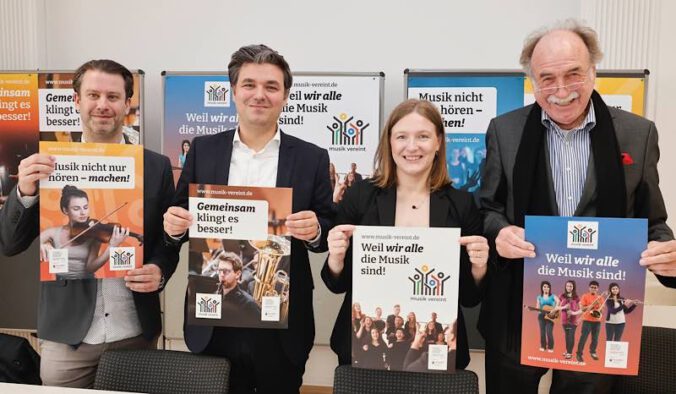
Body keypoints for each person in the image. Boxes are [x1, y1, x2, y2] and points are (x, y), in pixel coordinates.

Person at [479, 19, 676, 393]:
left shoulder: (638, 133)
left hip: (597, 313)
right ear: (533, 81)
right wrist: (499, 233)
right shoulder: (504, 131)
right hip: (516, 309)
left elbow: (653, 224)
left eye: (574, 74)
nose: (562, 90)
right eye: (547, 78)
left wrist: (668, 257)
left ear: (593, 72)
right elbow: (486, 209)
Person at [162, 44, 334, 394]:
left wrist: (316, 231)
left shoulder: (312, 158)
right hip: (214, 317)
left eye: (271, 86)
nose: (260, 94)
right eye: (249, 85)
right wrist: (173, 226)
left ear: (285, 95)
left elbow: (329, 227)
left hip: (280, 323)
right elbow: (180, 217)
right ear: (233, 92)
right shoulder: (203, 150)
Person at [0, 59, 179, 388]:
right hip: (67, 336)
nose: (102, 105)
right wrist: (24, 191)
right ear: (76, 100)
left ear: (127, 103)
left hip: (135, 330)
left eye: (113, 97)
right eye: (93, 94)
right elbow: (10, 244)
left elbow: (167, 243)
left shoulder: (156, 166)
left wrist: (160, 269)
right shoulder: (46, 163)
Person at [321, 99, 489, 370]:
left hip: (435, 353)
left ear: (438, 142)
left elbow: (470, 298)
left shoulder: (461, 204)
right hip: (362, 352)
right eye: (402, 137)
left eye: (423, 136)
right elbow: (336, 285)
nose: (412, 147)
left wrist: (480, 268)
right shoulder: (361, 195)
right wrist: (336, 259)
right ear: (390, 142)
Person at [39, 185, 130, 279]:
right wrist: (44, 245)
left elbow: (91, 268)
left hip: (87, 283)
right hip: (60, 283)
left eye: (85, 207)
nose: (83, 213)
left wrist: (112, 247)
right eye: (76, 209)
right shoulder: (52, 233)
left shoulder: (95, 232)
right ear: (65, 210)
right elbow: (32, 249)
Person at [214, 252, 260, 326]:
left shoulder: (248, 304)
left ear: (238, 274)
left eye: (226, 271)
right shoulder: (214, 296)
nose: (221, 275)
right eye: (220, 271)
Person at [576, 281, 605, 362]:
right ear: (589, 288)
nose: (593, 289)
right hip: (587, 320)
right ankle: (579, 354)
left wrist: (599, 304)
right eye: (592, 287)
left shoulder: (601, 298)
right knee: (583, 338)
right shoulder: (585, 296)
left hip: (597, 321)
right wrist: (591, 306)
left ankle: (593, 352)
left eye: (595, 288)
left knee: (595, 339)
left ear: (597, 289)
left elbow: (602, 311)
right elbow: (582, 309)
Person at [558, 280, 582, 360]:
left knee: (571, 336)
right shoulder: (562, 296)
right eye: (567, 286)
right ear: (565, 286)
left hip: (573, 320)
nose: (569, 287)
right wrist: (564, 307)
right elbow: (557, 307)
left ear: (573, 287)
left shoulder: (576, 297)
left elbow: (582, 310)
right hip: (564, 320)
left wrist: (574, 313)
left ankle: (569, 353)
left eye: (571, 286)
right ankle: (568, 350)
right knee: (567, 336)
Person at [536, 281, 558, 352]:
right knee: (542, 332)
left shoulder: (553, 296)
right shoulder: (539, 297)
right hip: (541, 316)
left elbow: (559, 302)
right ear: (542, 288)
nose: (546, 288)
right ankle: (543, 346)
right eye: (544, 287)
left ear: (549, 288)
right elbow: (538, 307)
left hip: (550, 316)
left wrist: (554, 310)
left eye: (547, 287)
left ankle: (550, 347)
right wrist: (535, 309)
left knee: (549, 332)